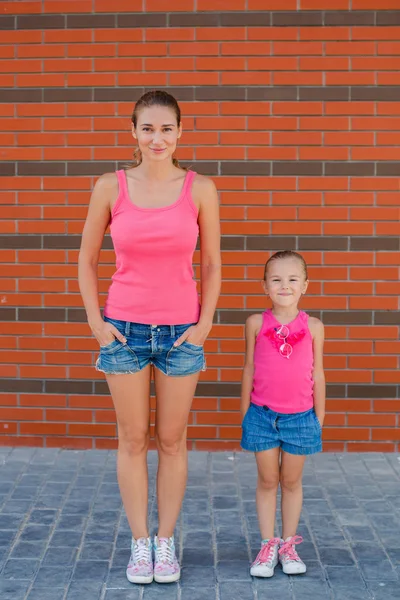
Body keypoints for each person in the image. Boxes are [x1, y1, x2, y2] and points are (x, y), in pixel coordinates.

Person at [78, 90, 221, 585]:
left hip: (183, 334)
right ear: (133, 133)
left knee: (173, 440)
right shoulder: (110, 187)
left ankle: (166, 540)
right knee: (133, 439)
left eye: (166, 129)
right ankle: (140, 544)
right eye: (147, 128)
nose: (156, 138)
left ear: (181, 132)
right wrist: (98, 324)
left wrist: (204, 324)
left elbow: (211, 263)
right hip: (124, 333)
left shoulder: (200, 188)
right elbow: (86, 261)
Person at [240, 250, 325, 578]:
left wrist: (319, 416)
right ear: (265, 286)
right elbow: (248, 368)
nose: (284, 286)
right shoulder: (256, 323)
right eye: (276, 280)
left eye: (292, 280)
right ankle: (267, 545)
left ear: (305, 285)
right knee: (267, 480)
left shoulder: (315, 326)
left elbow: (318, 373)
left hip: (301, 418)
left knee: (290, 481)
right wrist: (245, 412)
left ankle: (288, 545)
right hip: (262, 416)